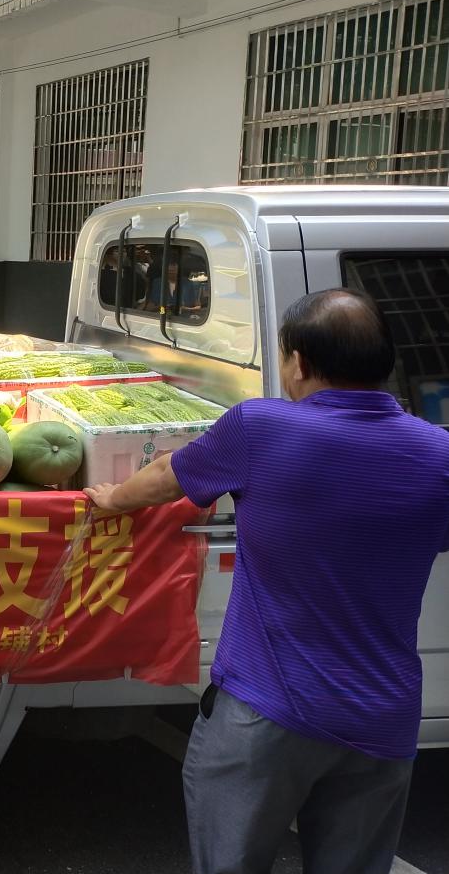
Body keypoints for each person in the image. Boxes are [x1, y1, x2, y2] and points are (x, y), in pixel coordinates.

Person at [84, 288, 449, 874]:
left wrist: (113, 500)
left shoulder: (261, 427)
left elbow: (168, 476)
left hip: (265, 713)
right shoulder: (440, 454)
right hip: (382, 719)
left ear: (298, 362)